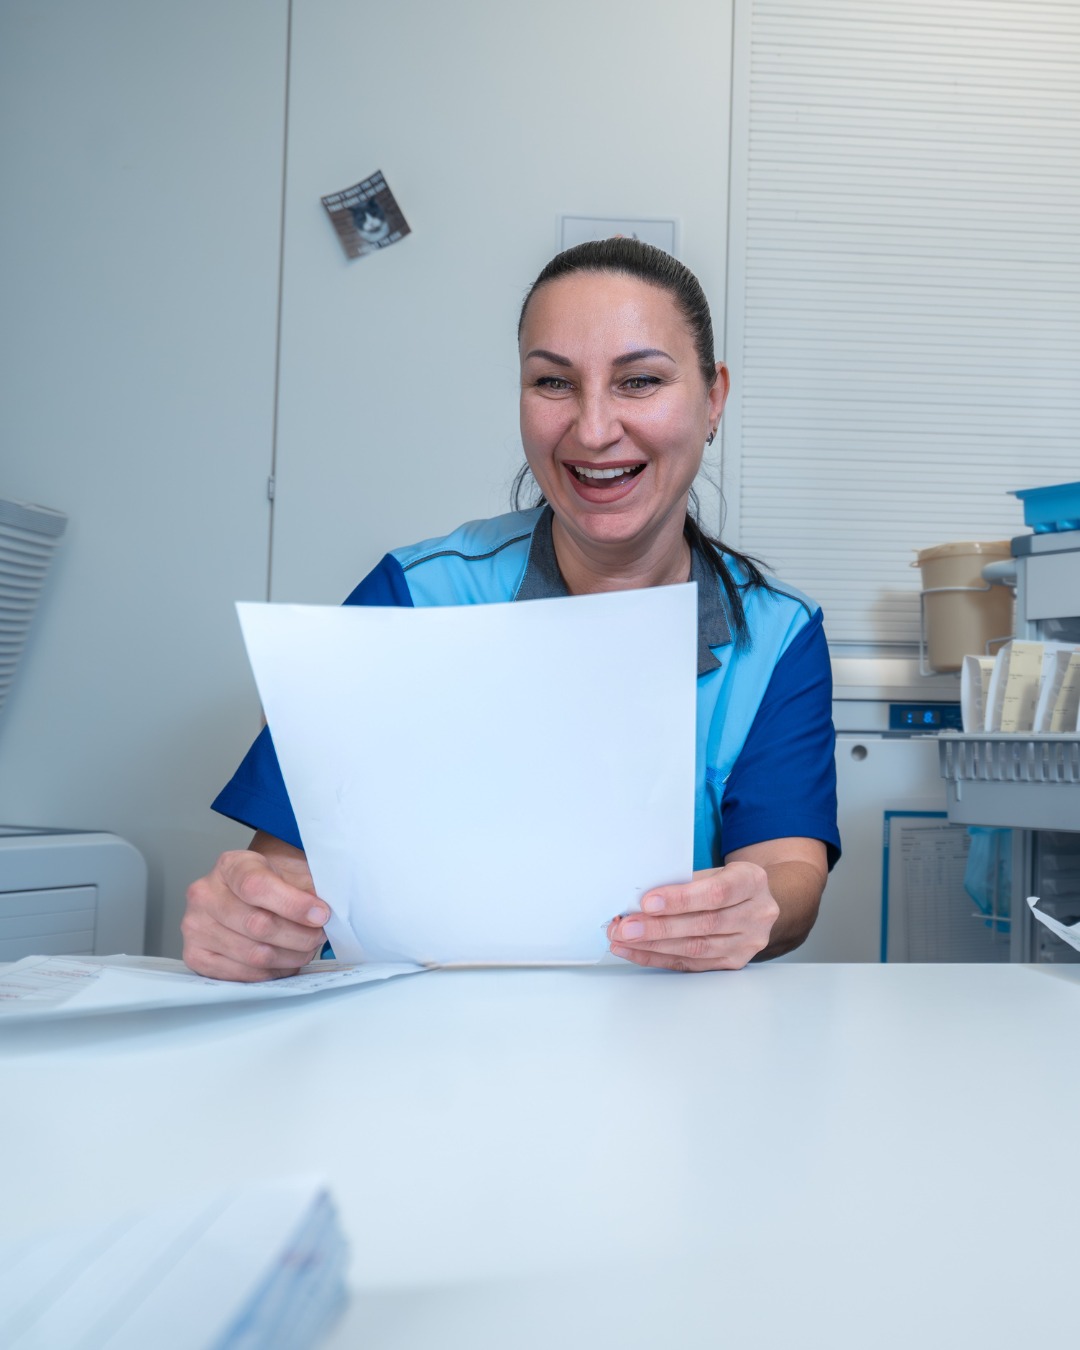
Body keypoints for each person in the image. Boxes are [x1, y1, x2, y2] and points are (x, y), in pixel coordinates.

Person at [183, 238, 840, 981]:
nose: (593, 430)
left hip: (660, 1040)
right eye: (554, 383)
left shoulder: (779, 635)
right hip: (421, 1045)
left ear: (712, 398)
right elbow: (288, 866)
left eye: (640, 381)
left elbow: (787, 867)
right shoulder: (412, 596)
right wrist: (254, 916)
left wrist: (754, 909)